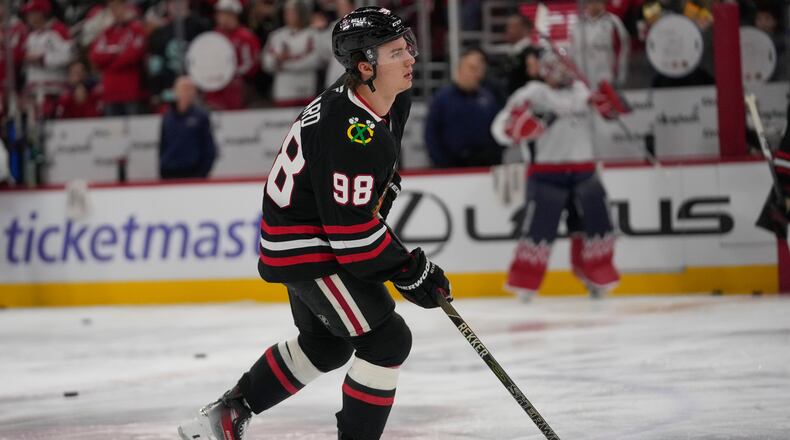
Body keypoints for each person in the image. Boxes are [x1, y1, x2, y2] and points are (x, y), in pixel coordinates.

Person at [177, 7, 452, 440]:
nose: (411, 58)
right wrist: (410, 270)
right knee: (386, 341)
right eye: (397, 51)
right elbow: (353, 238)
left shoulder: (387, 99)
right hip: (309, 244)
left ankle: (225, 416)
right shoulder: (351, 131)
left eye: (408, 47)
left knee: (327, 345)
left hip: (308, 233)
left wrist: (390, 220)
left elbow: (361, 205)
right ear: (365, 66)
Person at [491, 48, 621, 301]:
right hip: (546, 174)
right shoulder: (532, 93)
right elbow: (498, 129)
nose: (560, 72)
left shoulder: (583, 93)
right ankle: (525, 286)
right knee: (538, 230)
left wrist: (610, 104)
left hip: (585, 173)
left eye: (563, 66)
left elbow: (613, 120)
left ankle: (596, 278)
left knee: (595, 227)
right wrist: (514, 128)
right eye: (553, 67)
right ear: (544, 70)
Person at [425, 47, 503, 168]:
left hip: (483, 166)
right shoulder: (442, 98)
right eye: (472, 68)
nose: (476, 73)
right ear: (460, 69)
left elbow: (498, 131)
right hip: (450, 167)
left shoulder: (488, 99)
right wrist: (440, 163)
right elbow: (431, 133)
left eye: (480, 69)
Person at [90, 0, 147, 116]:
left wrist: (109, 62)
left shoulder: (136, 28)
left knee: (134, 129)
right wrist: (116, 53)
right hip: (110, 92)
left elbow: (133, 55)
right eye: (111, 8)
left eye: (117, 7)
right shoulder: (107, 32)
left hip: (130, 91)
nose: (115, 11)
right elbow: (95, 55)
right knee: (111, 131)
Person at [261, 0, 323, 106]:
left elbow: (315, 60)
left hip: (306, 89)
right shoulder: (276, 36)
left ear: (302, 13)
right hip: (283, 92)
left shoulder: (313, 34)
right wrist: (277, 60)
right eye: (286, 12)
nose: (287, 15)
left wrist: (284, 64)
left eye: (292, 12)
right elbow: (266, 63)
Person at [204, 0, 261, 110]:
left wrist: (230, 73)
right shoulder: (214, 35)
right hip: (216, 85)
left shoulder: (246, 36)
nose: (223, 18)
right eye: (220, 14)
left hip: (240, 86)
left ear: (235, 15)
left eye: (226, 14)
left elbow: (251, 65)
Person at [21, 0, 74, 118]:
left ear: (41, 13)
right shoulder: (31, 36)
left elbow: (70, 55)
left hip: (55, 91)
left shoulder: (58, 29)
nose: (29, 17)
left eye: (32, 13)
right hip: (35, 91)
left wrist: (43, 59)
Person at [158, 76, 217, 179]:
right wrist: (163, 168)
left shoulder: (200, 117)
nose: (187, 92)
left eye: (190, 89)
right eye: (184, 88)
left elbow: (209, 148)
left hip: (193, 172)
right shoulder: (167, 117)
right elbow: (162, 146)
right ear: (175, 91)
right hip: (169, 172)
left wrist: (202, 173)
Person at [570, 0, 630, 88]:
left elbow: (622, 50)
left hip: (606, 77)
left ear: (604, 3)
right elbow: (573, 52)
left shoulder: (613, 23)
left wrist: (619, 75)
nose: (594, 5)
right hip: (583, 79)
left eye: (598, 2)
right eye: (590, 2)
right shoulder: (578, 25)